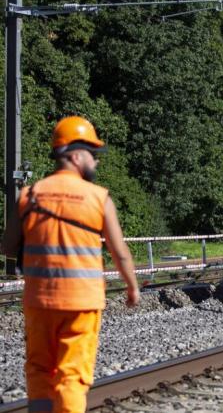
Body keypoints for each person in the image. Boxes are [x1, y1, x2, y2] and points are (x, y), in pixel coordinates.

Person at [1, 116, 140, 413]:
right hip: (80, 303)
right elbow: (120, 252)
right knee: (72, 375)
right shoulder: (98, 198)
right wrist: (132, 288)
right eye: (93, 155)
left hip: (38, 301)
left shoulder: (30, 195)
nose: (97, 162)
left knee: (39, 369)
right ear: (75, 155)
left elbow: (7, 247)